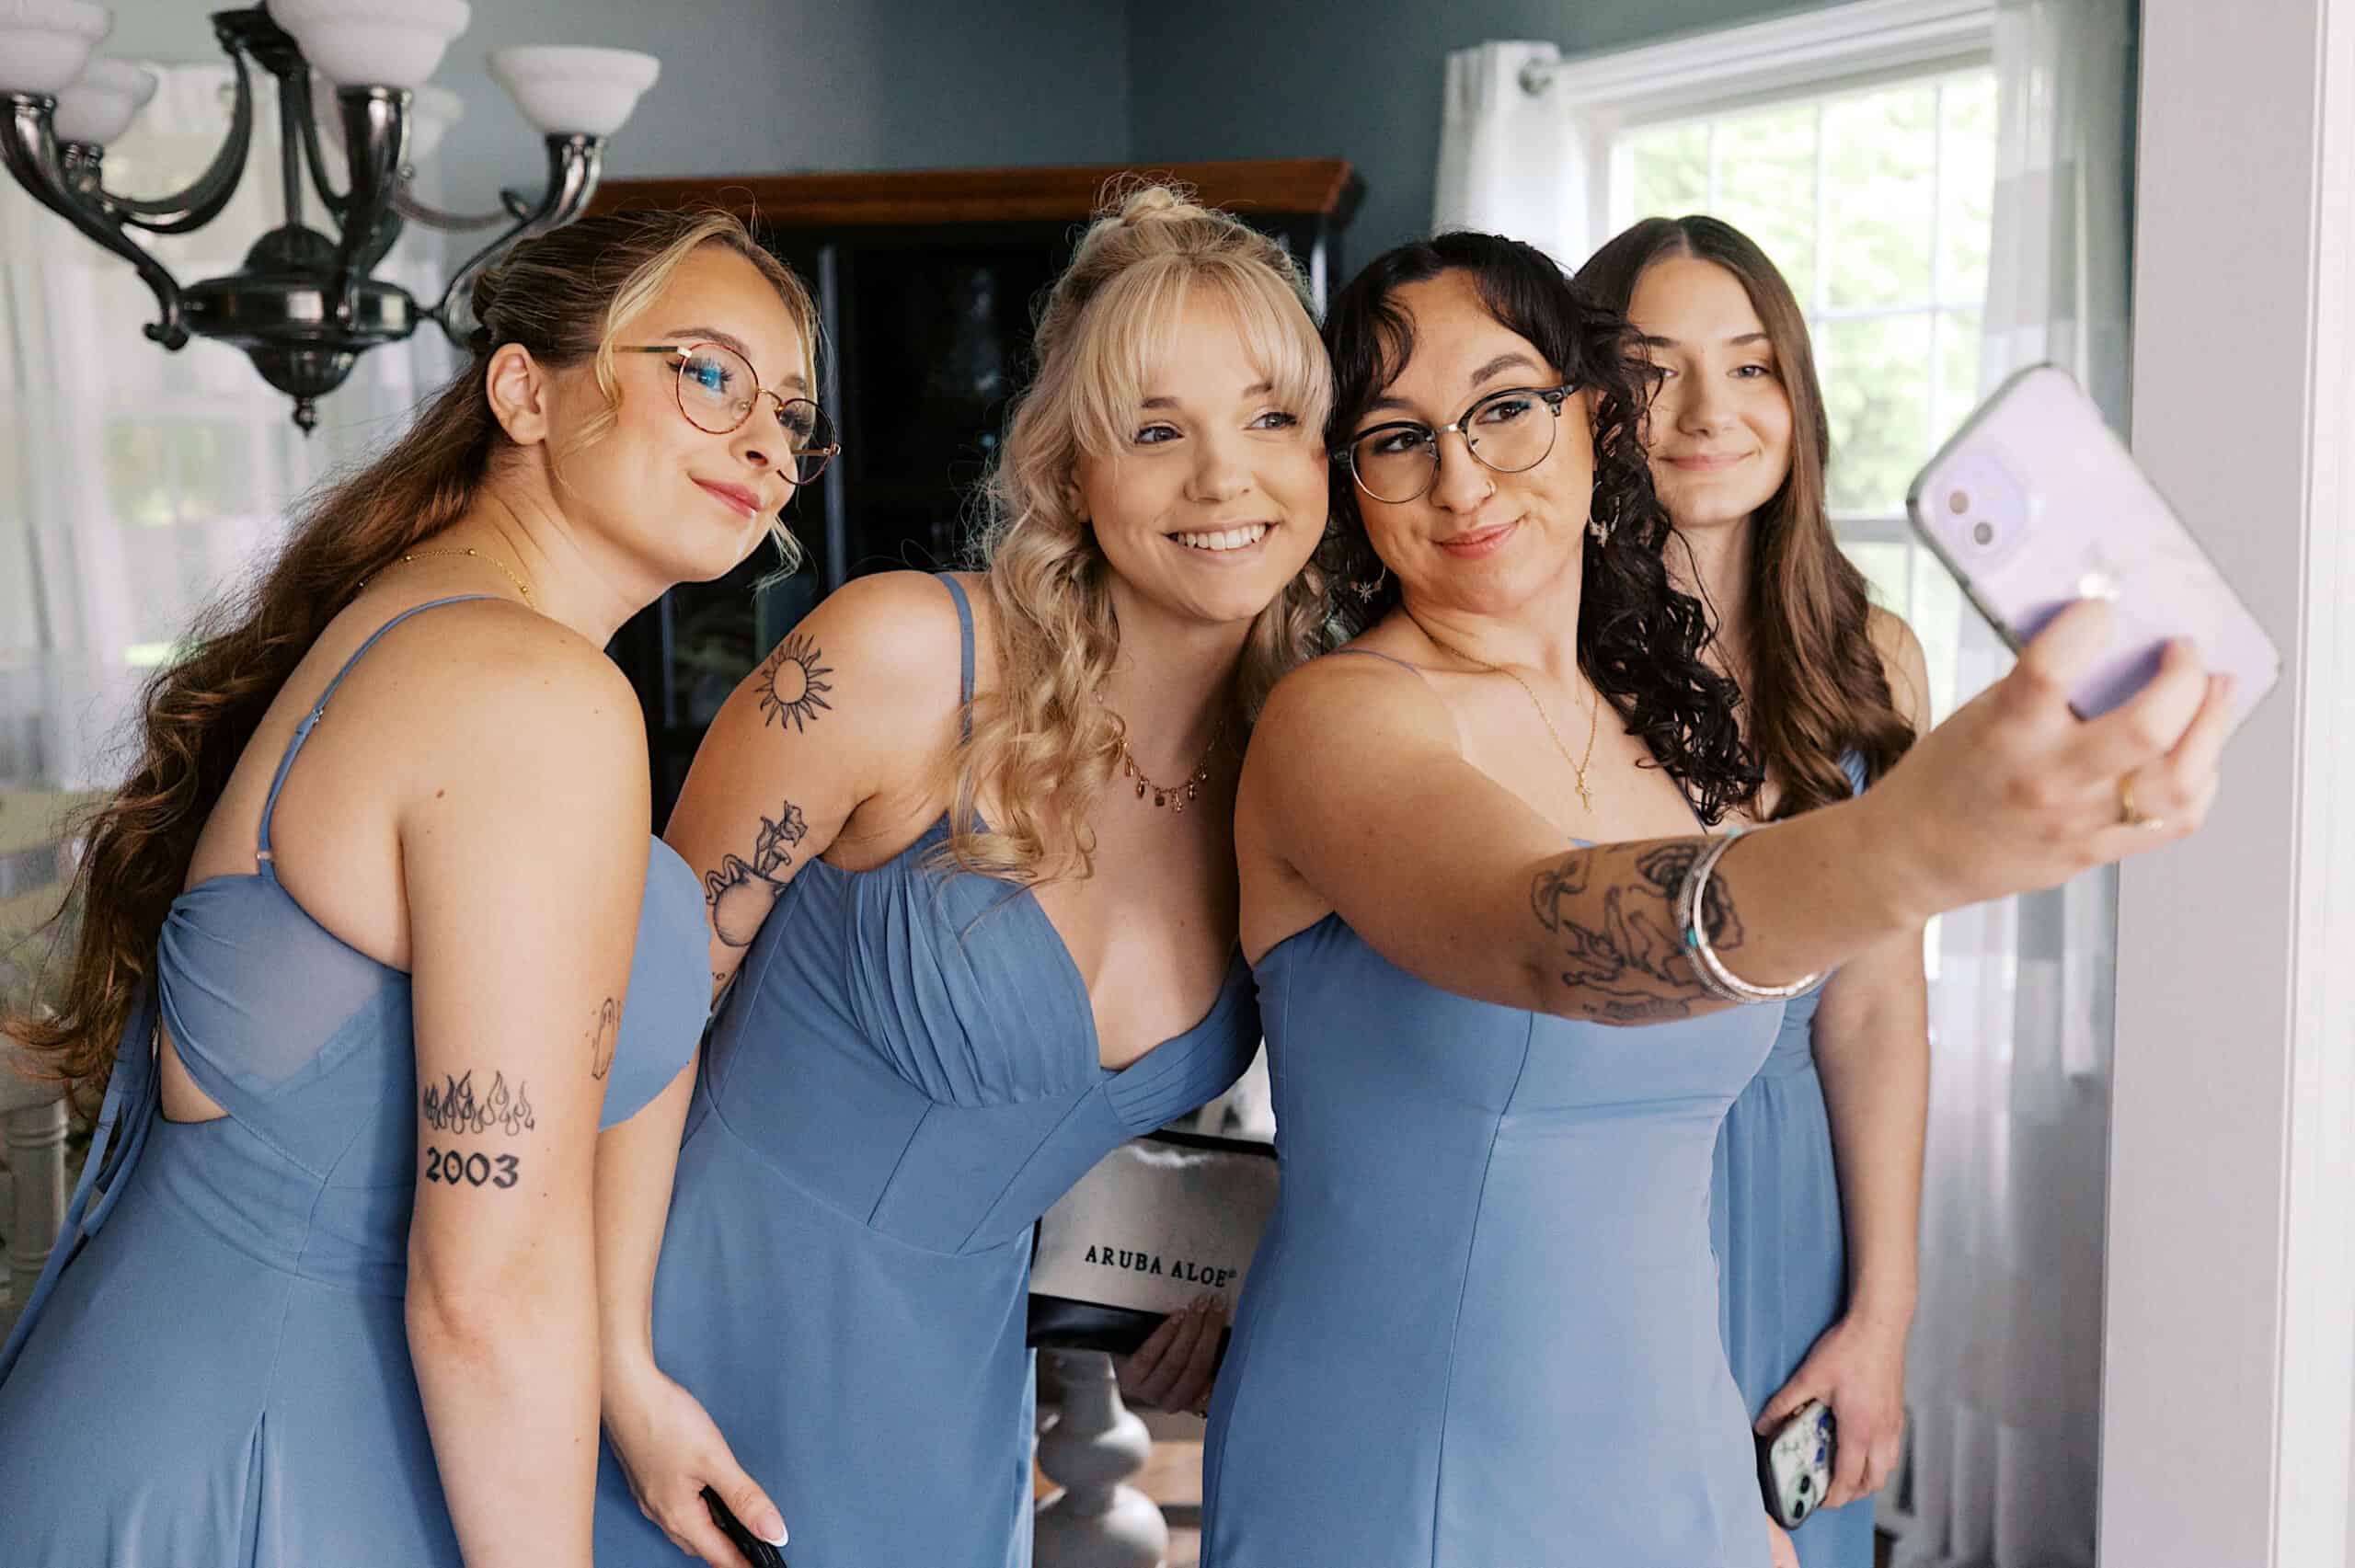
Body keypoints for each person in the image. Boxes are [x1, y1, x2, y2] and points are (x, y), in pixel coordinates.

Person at [1197, 231, 2229, 1567]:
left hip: (1669, 1463)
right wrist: (1916, 845)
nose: (1460, 478)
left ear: (1596, 428)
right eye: (1398, 437)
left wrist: (1727, 1510)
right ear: (1352, 485)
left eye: (1507, 407)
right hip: (1399, 1472)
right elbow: (1548, 929)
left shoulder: (1667, 738)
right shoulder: (1333, 722)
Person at [0, 209, 828, 1567]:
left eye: (791, 412)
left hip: (245, 1430)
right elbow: (486, 1291)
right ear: (524, 391)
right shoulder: (526, 690)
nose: (767, 443)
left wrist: (624, 1375)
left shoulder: (447, 631)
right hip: (257, 1469)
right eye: (709, 373)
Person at [592, 185, 1336, 1568]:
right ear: (1070, 470)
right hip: (673, 1359)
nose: (1224, 477)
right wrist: (615, 1369)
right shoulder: (900, 658)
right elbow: (617, 1031)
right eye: (1155, 429)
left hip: (945, 1425)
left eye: (1271, 417)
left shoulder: (1298, 777)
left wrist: (1224, 1295)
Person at [1576, 212, 1927, 1565]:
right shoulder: (1531, 664)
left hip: (1792, 1209)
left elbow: (1881, 1006)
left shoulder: (1870, 655)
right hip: (1602, 1195)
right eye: (1654, 370)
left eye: (1753, 365)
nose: (1708, 411)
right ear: (1593, 405)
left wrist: (1879, 1315)